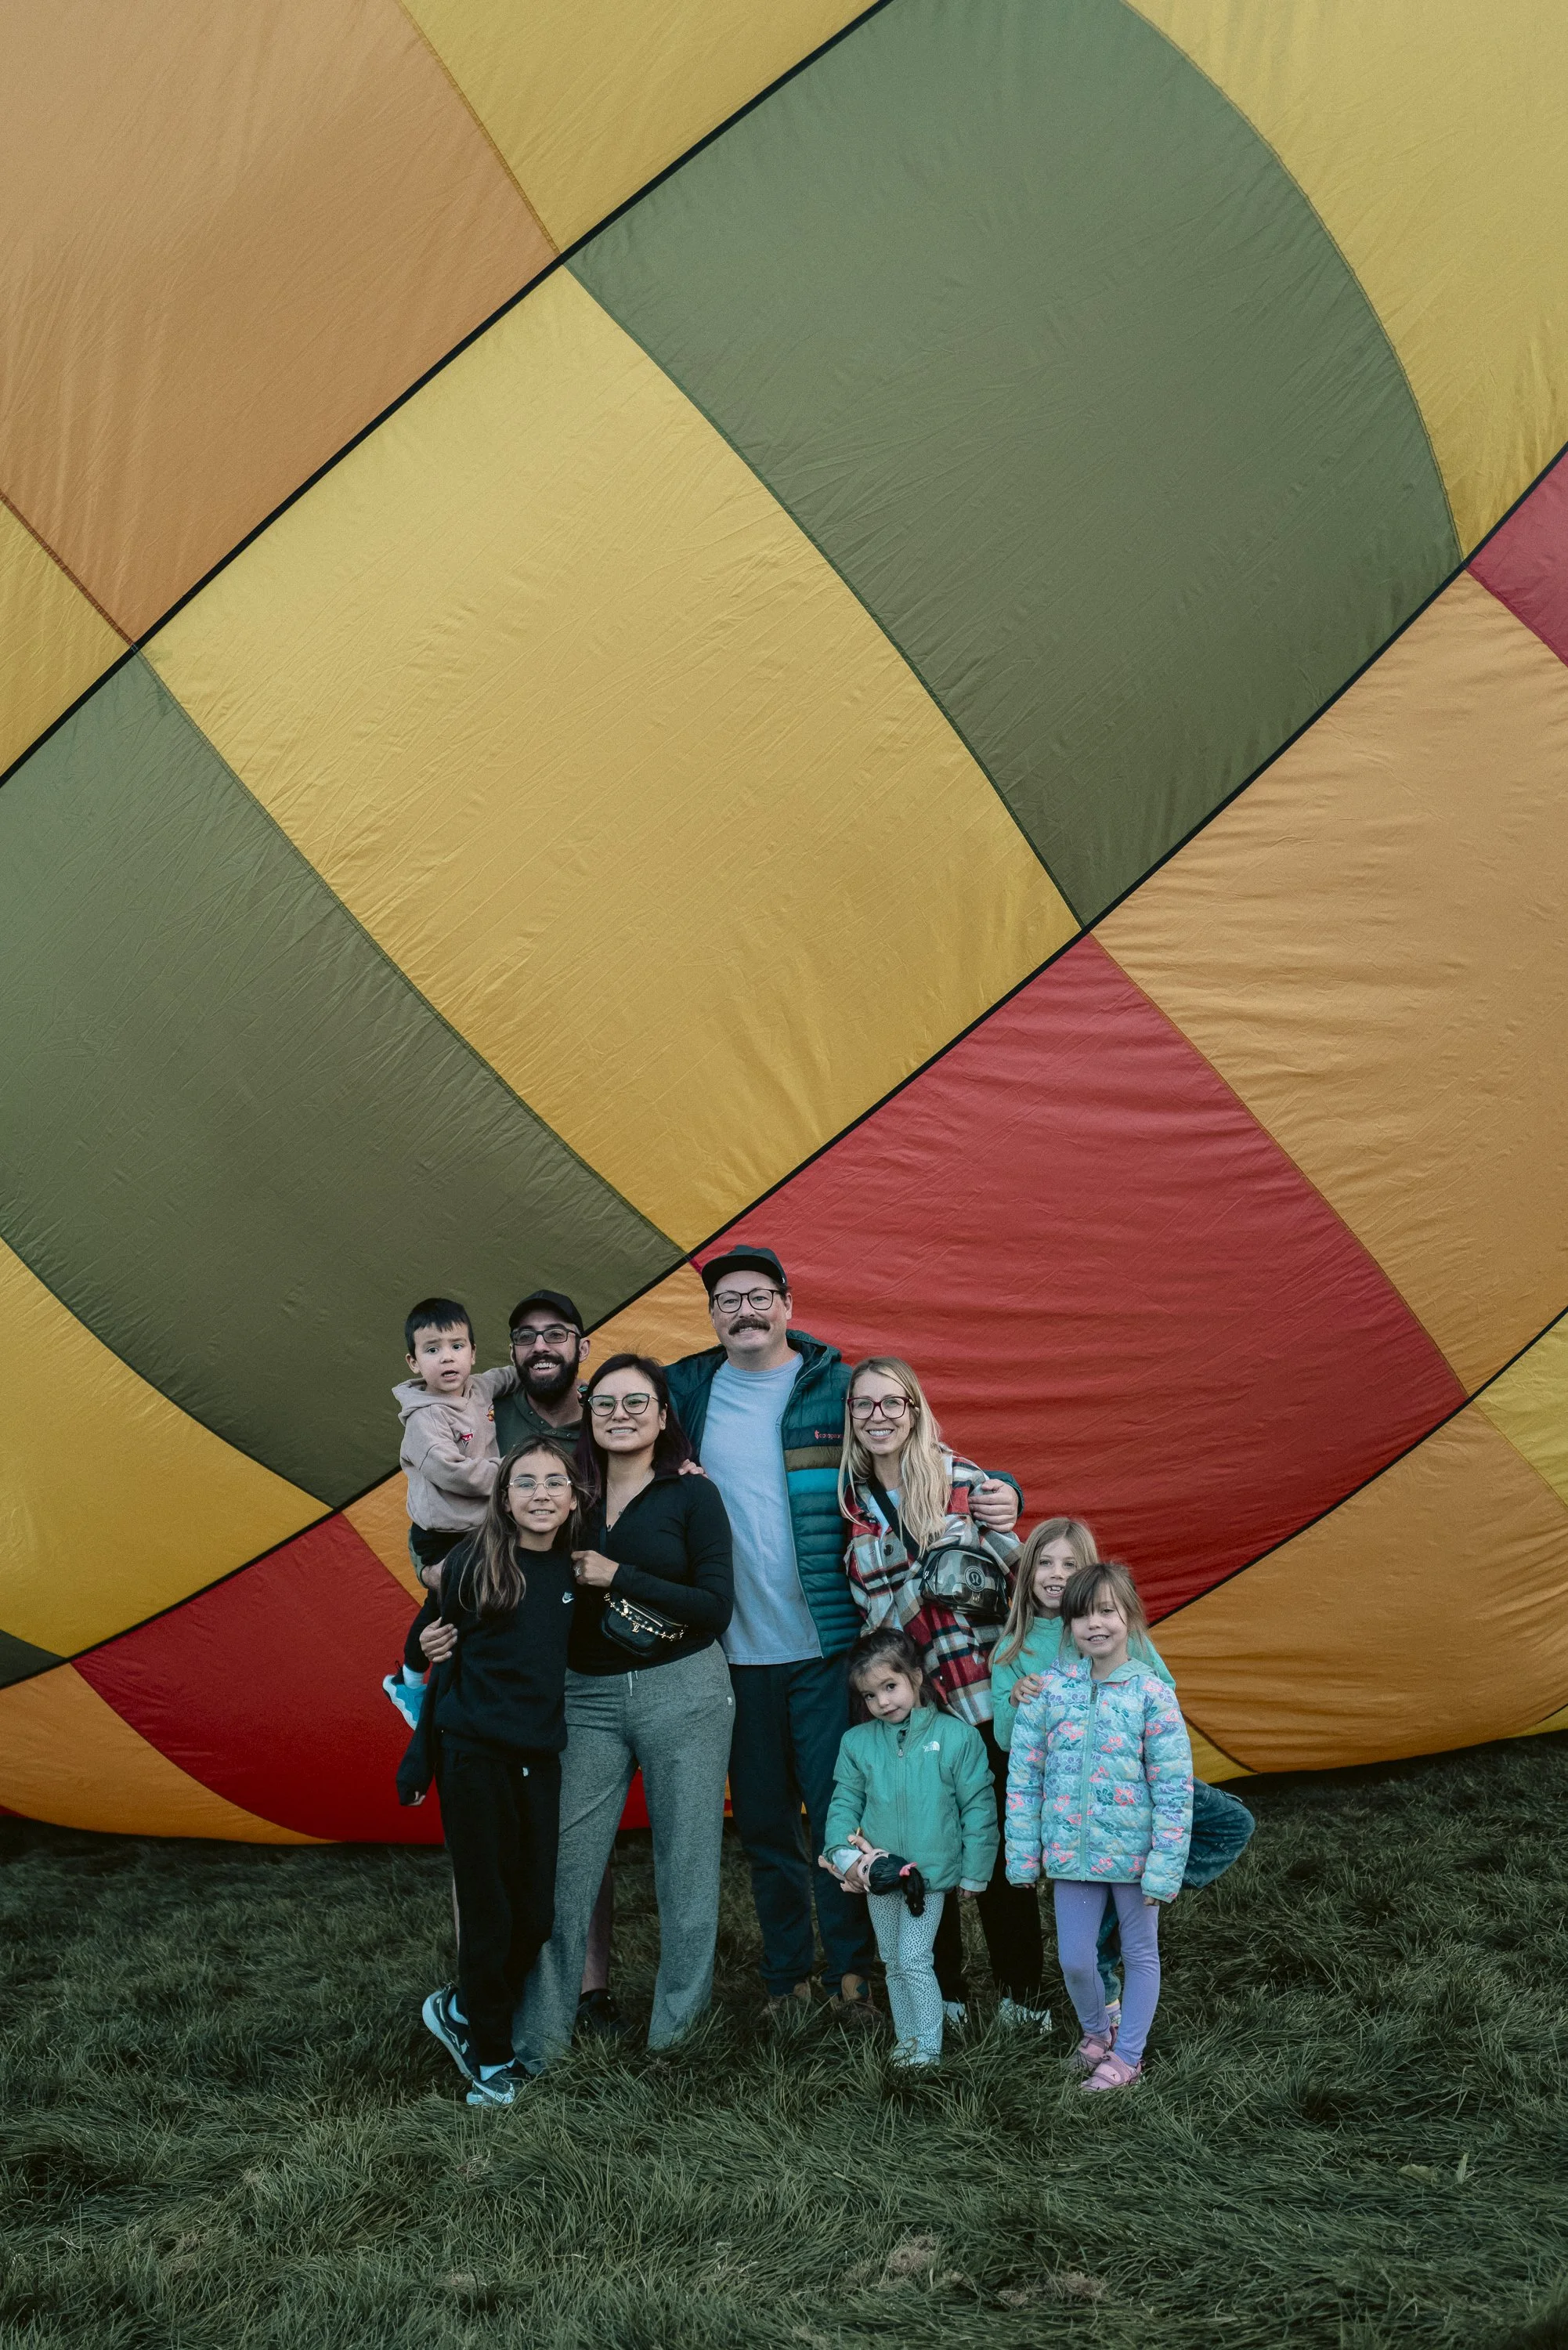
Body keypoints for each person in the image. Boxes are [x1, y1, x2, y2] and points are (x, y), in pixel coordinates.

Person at [667, 1246, 1006, 2022]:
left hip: (826, 1652)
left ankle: (853, 1974)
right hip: (731, 1657)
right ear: (713, 1316)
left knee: (839, 1819)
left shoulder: (834, 1386)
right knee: (761, 1825)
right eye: (727, 1301)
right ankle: (786, 1976)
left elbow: (920, 1450)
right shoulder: (686, 1390)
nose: (744, 1311)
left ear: (787, 1303)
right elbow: (600, 1432)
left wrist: (1003, 1495)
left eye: (758, 1297)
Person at [515, 1355, 735, 2068]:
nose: (620, 1414)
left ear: (664, 1416)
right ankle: (540, 2039)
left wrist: (620, 1577)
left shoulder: (692, 1496)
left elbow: (715, 1605)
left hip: (685, 1687)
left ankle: (677, 2035)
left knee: (688, 1865)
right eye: (604, 1402)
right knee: (566, 1866)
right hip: (587, 1694)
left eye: (637, 1402)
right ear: (589, 1413)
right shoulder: (565, 1492)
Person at [839, 1356, 1043, 2028]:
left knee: (1003, 1856)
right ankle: (946, 1995)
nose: (878, 1417)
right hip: (921, 1720)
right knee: (933, 1856)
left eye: (891, 1403)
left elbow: (1023, 1579)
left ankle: (1021, 1997)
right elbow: (874, 1624)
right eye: (864, 1406)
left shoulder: (966, 1484)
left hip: (984, 1701)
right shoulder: (855, 1510)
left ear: (915, 1409)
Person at [991, 1515, 1255, 2024]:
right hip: (1076, 1798)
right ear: (1026, 1573)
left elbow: (1162, 1693)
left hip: (1135, 1780)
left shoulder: (1112, 1628)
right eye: (1044, 1562)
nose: (1056, 1573)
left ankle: (1142, 1893)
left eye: (1070, 1564)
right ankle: (1107, 1978)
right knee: (1091, 1918)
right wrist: (1018, 1700)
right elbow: (1010, 1741)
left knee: (1232, 1821)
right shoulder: (1014, 1650)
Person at [397, 1436, 586, 2106]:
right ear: (504, 1498)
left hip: (539, 1758)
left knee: (533, 1915)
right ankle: (489, 2058)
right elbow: (424, 1653)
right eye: (525, 1482)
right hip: (473, 1755)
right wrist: (420, 1758)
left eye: (554, 1482)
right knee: (490, 1910)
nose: (540, 1493)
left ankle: (460, 2007)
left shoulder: (573, 1572)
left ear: (573, 1498)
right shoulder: (475, 1563)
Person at [1005, 1560, 1193, 2092]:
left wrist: (1163, 1867)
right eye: (1082, 1614)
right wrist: (1023, 1856)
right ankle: (1098, 2034)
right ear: (1068, 1625)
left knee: (1139, 1955)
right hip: (1073, 1856)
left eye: (1107, 1611)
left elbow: (1175, 1789)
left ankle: (1128, 2057)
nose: (1095, 1624)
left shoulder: (1153, 1696)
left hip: (1135, 1861)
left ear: (1130, 1616)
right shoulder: (1048, 1694)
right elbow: (1025, 1778)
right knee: (1076, 1960)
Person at [493, 1289, 620, 2040]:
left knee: (583, 1824)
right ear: (511, 1352)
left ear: (582, 1344)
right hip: (508, 1643)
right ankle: (493, 1976)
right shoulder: (484, 1414)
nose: (542, 1347)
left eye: (557, 1334)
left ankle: (591, 1988)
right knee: (493, 1822)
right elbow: (434, 1515)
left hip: (589, 1641)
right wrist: (437, 1587)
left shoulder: (611, 1416)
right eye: (527, 1336)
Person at [820, 1629, 997, 2066]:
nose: (882, 1702)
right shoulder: (857, 1744)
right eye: (870, 1695)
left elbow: (978, 1808)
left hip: (929, 1877)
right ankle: (907, 2041)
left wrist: (975, 1871)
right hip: (880, 1877)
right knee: (893, 1960)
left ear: (916, 1677)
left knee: (916, 1958)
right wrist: (847, 1859)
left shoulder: (957, 1739)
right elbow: (844, 1801)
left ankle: (929, 2048)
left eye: (890, 1686)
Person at [396, 1297, 517, 1578]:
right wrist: (513, 1470)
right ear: (414, 1362)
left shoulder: (479, 1387)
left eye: (457, 1346)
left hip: (479, 1525)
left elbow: (509, 1377)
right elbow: (454, 1473)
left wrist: (531, 1368)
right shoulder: (425, 1417)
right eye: (432, 1349)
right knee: (452, 1598)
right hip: (442, 1534)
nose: (447, 1357)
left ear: (473, 1353)